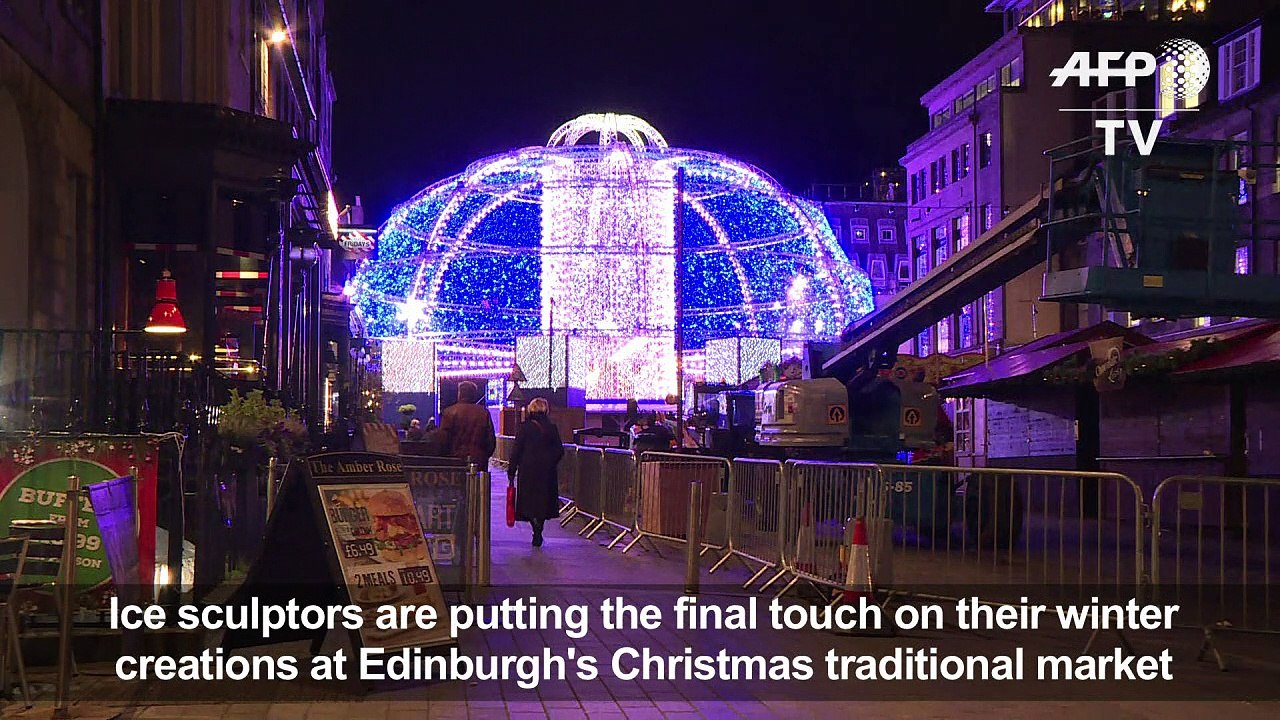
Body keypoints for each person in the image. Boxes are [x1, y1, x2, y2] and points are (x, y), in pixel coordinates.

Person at [509, 397, 564, 547]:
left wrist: (512, 470)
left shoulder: (524, 427)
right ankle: (539, 529)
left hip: (528, 470)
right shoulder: (552, 427)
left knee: (529, 502)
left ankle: (535, 528)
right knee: (543, 502)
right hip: (547, 472)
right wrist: (550, 462)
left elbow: (517, 450)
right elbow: (559, 450)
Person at [439, 381, 496, 468]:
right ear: (473, 394)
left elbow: (443, 440)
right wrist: (484, 455)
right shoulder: (483, 413)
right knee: (478, 481)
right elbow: (491, 440)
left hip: (454, 461)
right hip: (478, 460)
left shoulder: (449, 412)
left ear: (460, 393)